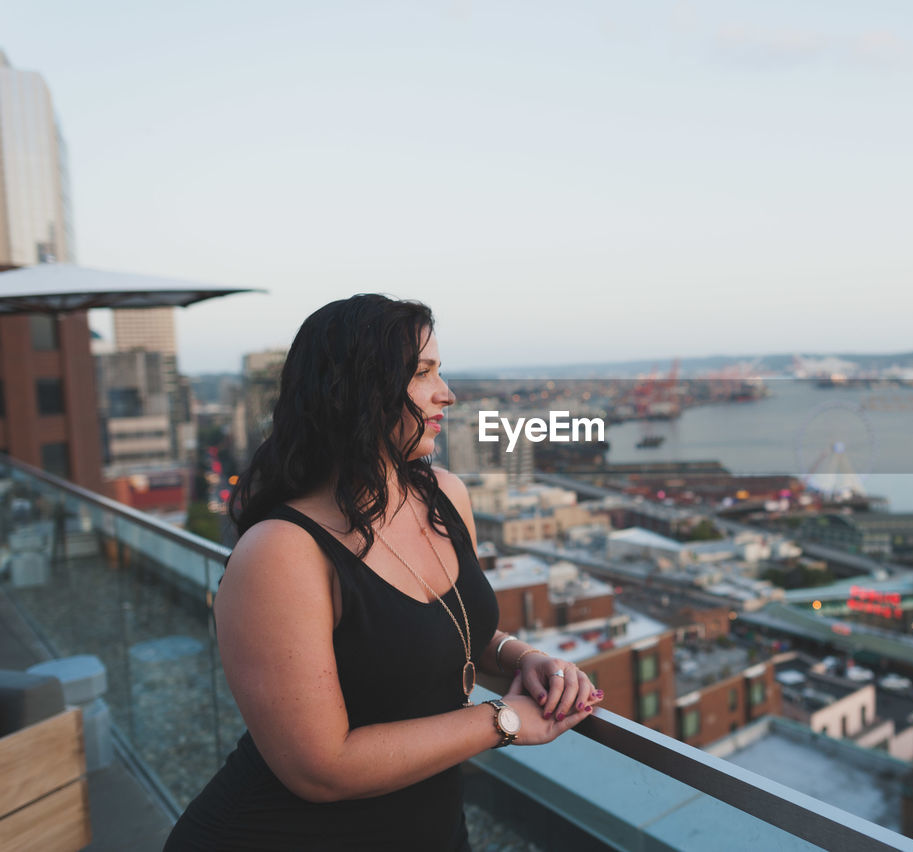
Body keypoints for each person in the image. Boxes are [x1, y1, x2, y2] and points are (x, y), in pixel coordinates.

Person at [164, 294, 602, 851]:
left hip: (430, 827)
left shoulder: (445, 495)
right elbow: (321, 768)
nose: (448, 394)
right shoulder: (282, 551)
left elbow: (436, 633)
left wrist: (525, 658)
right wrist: (503, 721)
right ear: (358, 391)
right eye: (423, 374)